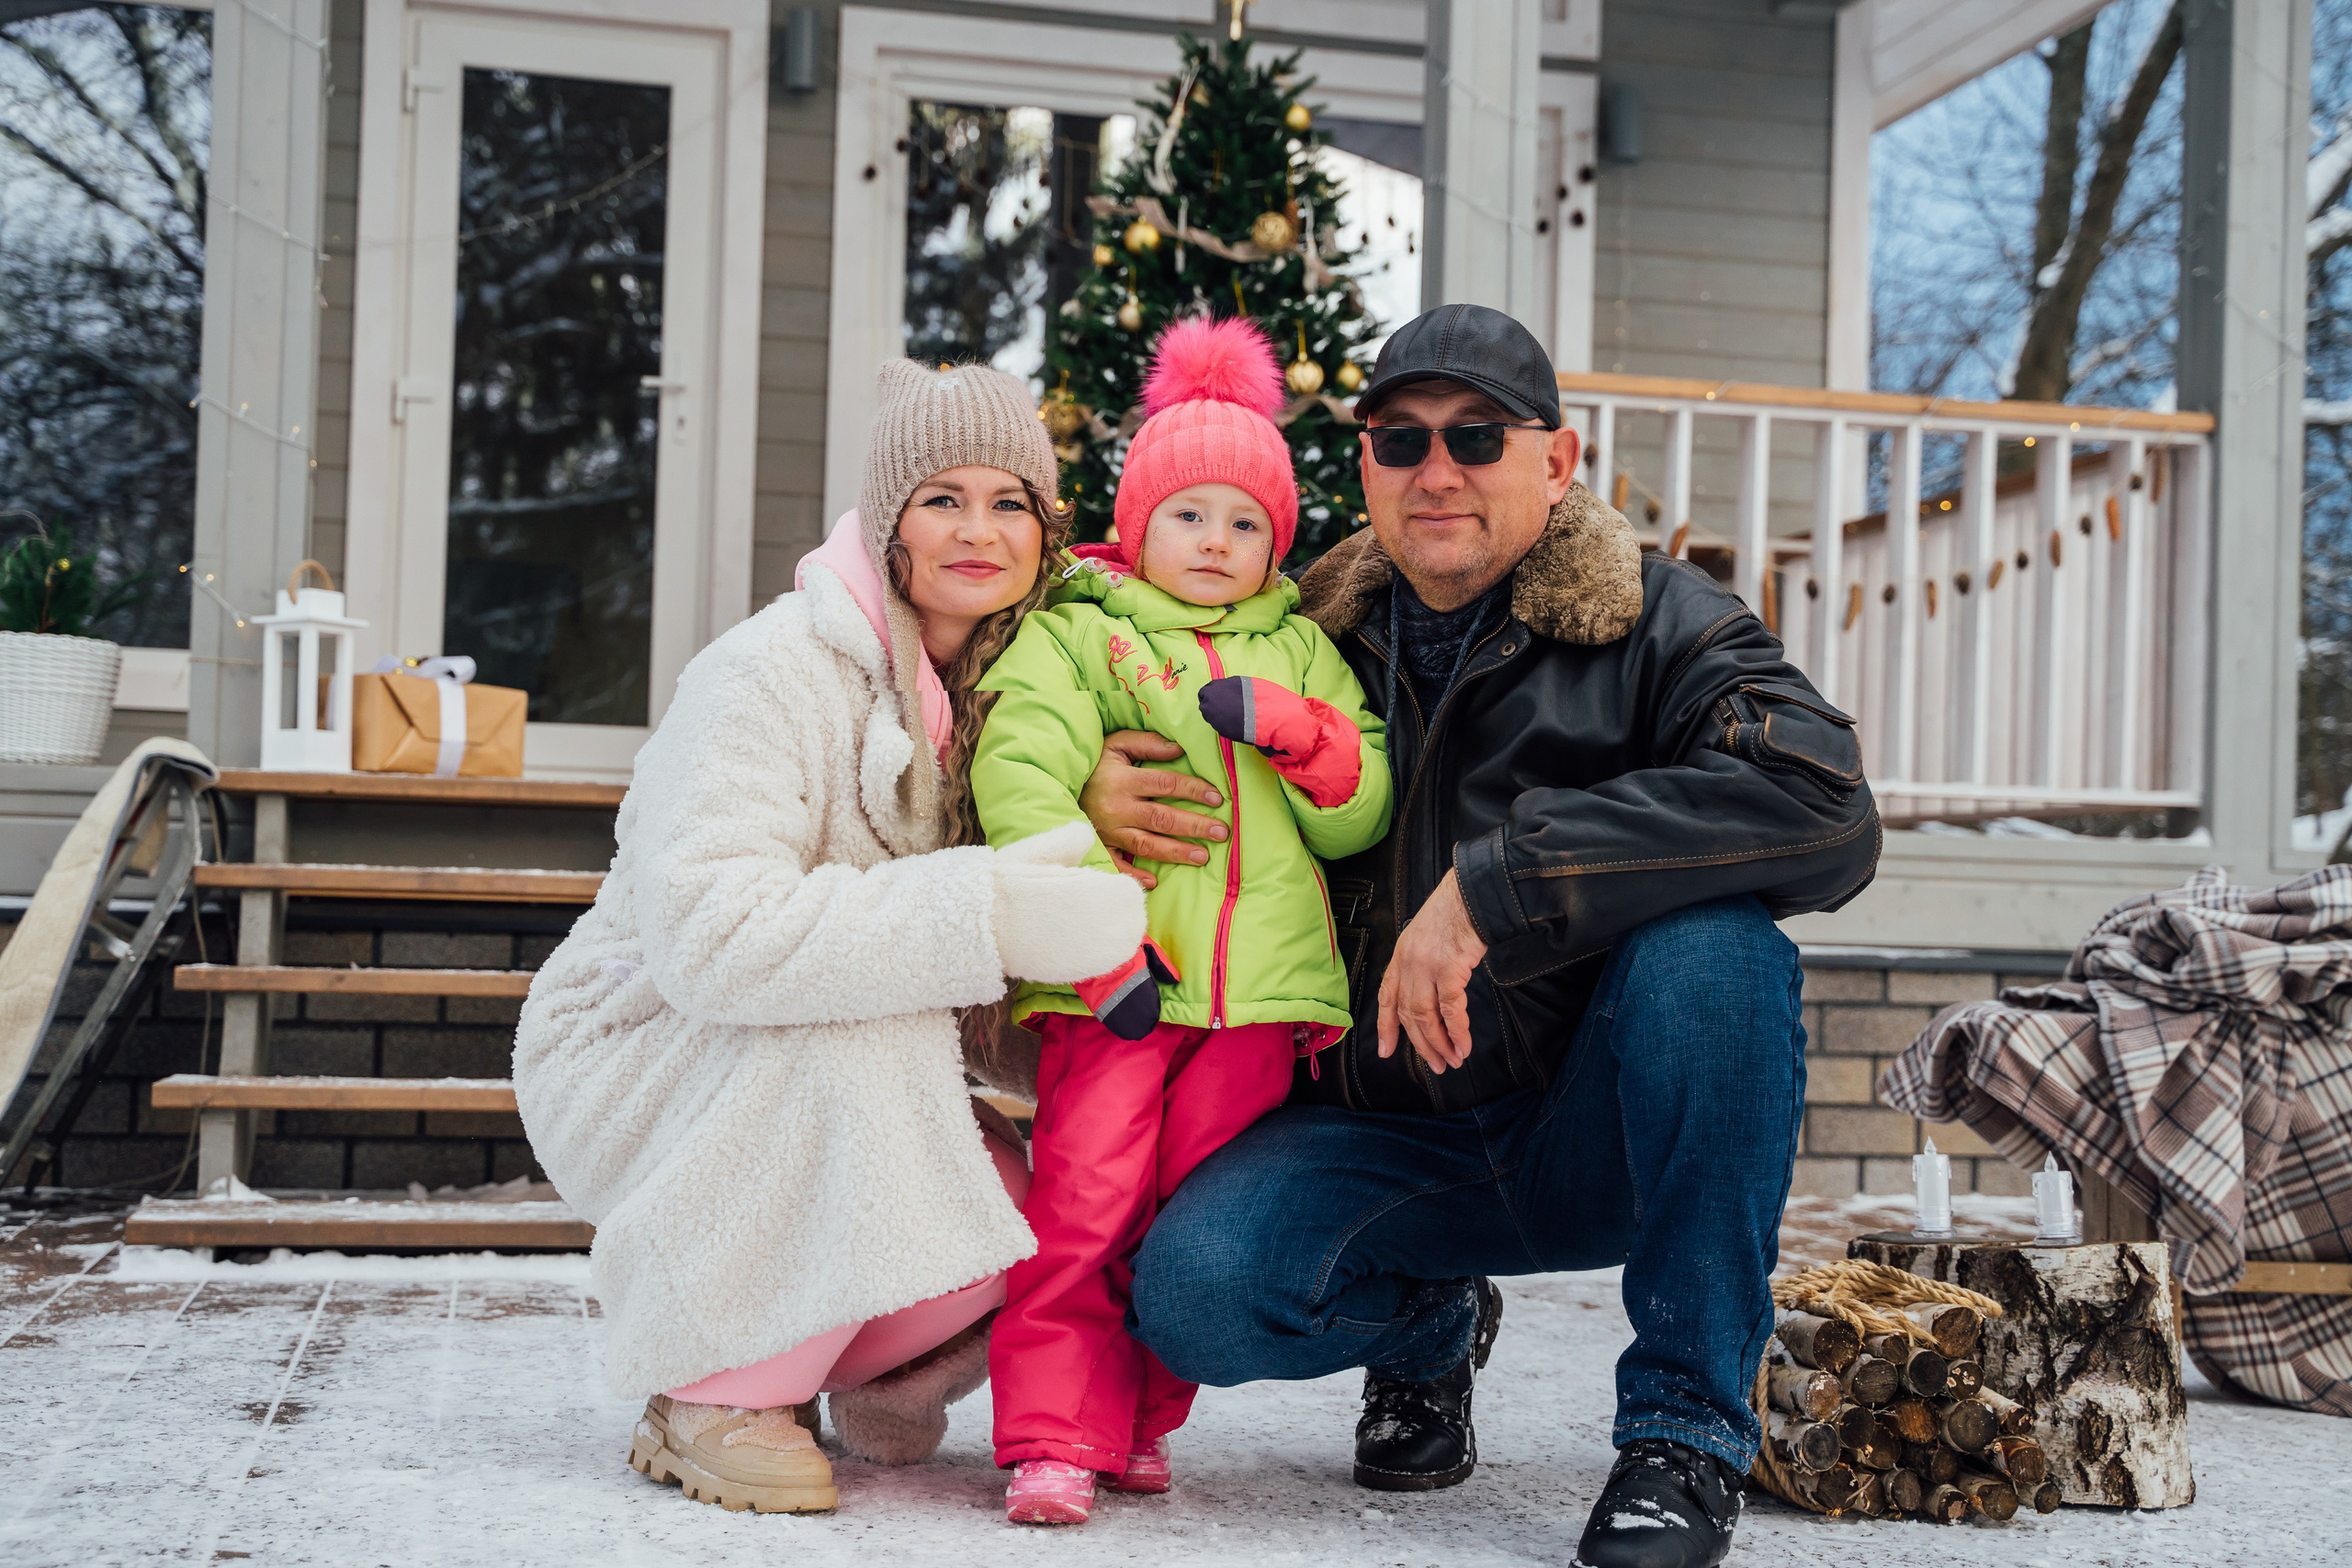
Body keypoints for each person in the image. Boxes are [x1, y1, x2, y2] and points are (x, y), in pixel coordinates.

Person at [1088, 304, 1882, 1568]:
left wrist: (1501, 882)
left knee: (1719, 952)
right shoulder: (1292, 631)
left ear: (1555, 462)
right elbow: (1068, 728)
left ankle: (1683, 1433)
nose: (1436, 468)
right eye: (1400, 439)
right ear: (1363, 466)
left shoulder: (1661, 620)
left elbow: (1824, 801)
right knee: (1193, 1295)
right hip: (1382, 1131)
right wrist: (1098, 799)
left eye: (1476, 434)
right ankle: (1428, 1323)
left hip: (1594, 1122)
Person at [512, 360, 1146, 1514]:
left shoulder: (1011, 699)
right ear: (886, 518)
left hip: (819, 1051)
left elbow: (978, 1000)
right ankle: (714, 1391)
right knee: (863, 1035)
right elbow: (712, 934)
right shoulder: (771, 672)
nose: (977, 530)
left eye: (1010, 502)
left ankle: (857, 1375)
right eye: (940, 498)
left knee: (1041, 1215)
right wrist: (987, 907)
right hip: (644, 1043)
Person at [971, 318, 1394, 1525]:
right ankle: (1054, 1433)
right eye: (1189, 514)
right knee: (1084, 1204)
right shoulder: (1080, 633)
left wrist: (1308, 739)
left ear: (1278, 542)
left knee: (1189, 1214)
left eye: (1245, 521)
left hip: (1259, 1002)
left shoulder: (1306, 649)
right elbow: (1022, 773)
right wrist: (1087, 931)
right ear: (1138, 521)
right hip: (1119, 987)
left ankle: (1143, 1418)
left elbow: (1356, 813)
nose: (1216, 541)